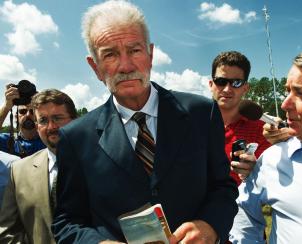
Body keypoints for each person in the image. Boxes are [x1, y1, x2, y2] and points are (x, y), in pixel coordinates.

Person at [51, 1, 237, 243]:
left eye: (135, 50)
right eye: (110, 54)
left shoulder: (202, 113)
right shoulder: (76, 138)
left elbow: (223, 187)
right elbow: (67, 221)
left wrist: (210, 225)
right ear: (95, 66)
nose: (126, 65)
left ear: (150, 55)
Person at [229, 44, 302, 243]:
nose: (285, 104)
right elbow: (244, 213)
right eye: (287, 91)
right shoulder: (272, 159)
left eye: (301, 94)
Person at [0, 89, 78, 244]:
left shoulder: (99, 160)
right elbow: (8, 231)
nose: (51, 126)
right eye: (42, 120)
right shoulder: (16, 169)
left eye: (57, 118)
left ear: (74, 120)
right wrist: (7, 106)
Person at [208, 51, 271, 185]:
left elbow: (271, 178)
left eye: (236, 83)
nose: (227, 89)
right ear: (210, 85)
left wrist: (256, 171)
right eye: (220, 81)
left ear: (246, 88)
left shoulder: (263, 130)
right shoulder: (192, 124)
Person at [0, 83, 45, 157]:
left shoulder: (48, 140)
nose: (27, 115)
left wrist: (44, 105)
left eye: (32, 111)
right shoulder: (7, 141)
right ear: (16, 117)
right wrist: (6, 107)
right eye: (22, 111)